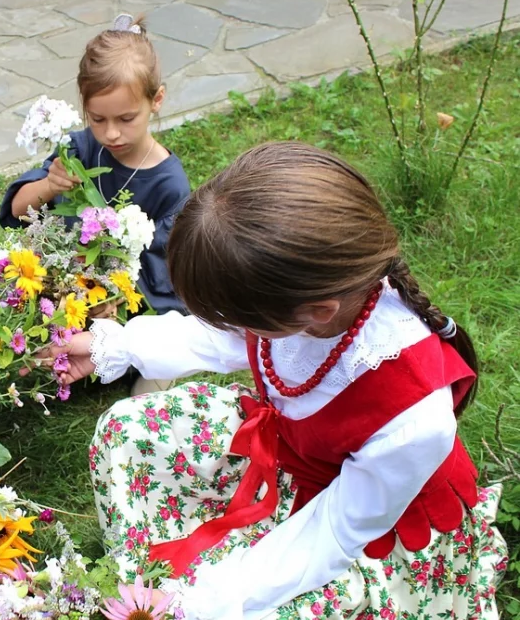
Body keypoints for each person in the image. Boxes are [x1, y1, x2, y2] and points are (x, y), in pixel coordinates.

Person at [52, 143, 507, 619]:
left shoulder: (414, 418)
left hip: (361, 528)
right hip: (290, 452)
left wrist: (214, 599)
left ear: (315, 313)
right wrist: (118, 347)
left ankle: (176, 602)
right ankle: (143, 595)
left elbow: (334, 530)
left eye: (240, 315)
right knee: (129, 429)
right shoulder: (310, 298)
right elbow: (219, 338)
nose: (234, 326)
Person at [0, 14, 191, 318]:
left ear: (157, 100)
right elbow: (18, 211)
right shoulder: (79, 150)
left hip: (117, 319)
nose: (111, 133)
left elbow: (164, 282)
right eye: (98, 119)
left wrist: (110, 294)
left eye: (126, 119)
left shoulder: (169, 185)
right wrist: (51, 184)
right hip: (56, 297)